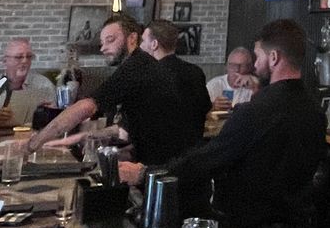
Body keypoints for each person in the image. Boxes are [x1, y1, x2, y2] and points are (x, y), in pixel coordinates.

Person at [165, 19, 324, 228]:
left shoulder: (255, 112)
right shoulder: (314, 111)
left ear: (274, 58)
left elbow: (207, 160)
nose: (255, 64)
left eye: (258, 55)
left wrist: (148, 172)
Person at [23, 16, 206, 168]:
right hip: (174, 166)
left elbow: (86, 106)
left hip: (166, 171)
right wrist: (70, 140)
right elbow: (123, 129)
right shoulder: (143, 67)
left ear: (132, 39)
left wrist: (32, 145)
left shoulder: (137, 65)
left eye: (110, 40)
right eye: (102, 43)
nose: (103, 48)